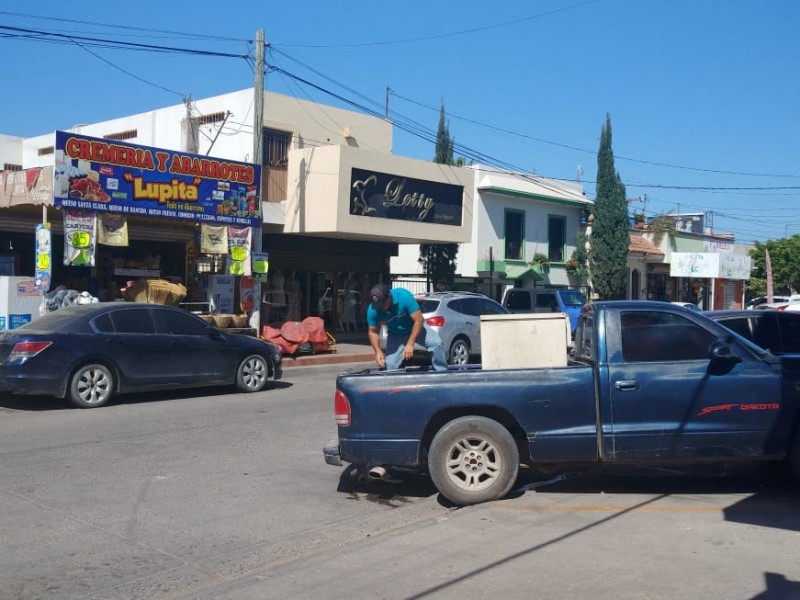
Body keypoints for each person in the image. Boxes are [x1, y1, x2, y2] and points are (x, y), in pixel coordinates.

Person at [366, 283, 448, 372]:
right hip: (396, 334)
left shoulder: (404, 297)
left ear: (389, 297)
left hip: (416, 327)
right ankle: (393, 383)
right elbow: (372, 332)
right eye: (378, 305)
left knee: (436, 344)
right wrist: (377, 351)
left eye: (383, 304)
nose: (381, 308)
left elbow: (418, 320)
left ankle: (442, 371)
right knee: (390, 365)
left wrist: (410, 344)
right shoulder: (373, 310)